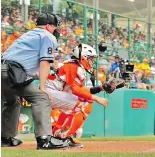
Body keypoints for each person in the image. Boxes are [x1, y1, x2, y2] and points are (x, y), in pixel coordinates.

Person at [1, 13, 68, 150]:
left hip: (3, 69)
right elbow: (45, 62)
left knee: (13, 101)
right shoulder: (48, 36)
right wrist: (42, 87)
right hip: (13, 73)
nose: (56, 30)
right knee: (42, 98)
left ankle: (5, 138)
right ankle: (44, 140)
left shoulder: (28, 35)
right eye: (54, 26)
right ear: (48, 26)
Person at [46, 43, 109, 146]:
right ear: (83, 57)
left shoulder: (73, 65)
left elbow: (79, 89)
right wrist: (97, 98)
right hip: (48, 92)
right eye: (90, 58)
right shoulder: (74, 66)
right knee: (84, 105)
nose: (91, 61)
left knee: (73, 106)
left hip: (50, 92)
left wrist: (101, 88)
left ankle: (57, 133)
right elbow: (76, 90)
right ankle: (64, 137)